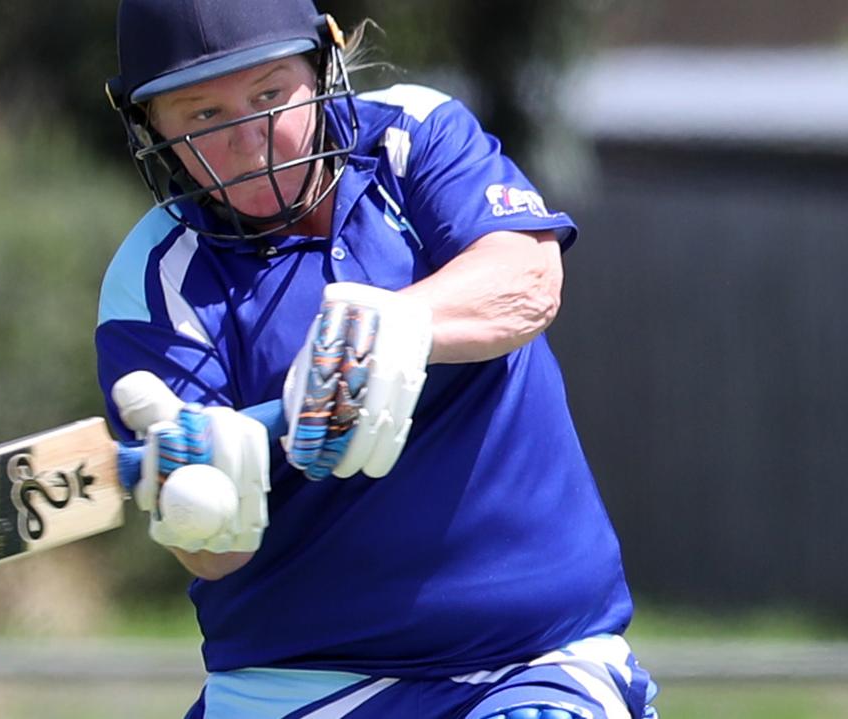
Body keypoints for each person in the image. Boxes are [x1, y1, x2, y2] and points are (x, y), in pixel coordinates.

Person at [95, 1, 658, 717]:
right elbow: (213, 557)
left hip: (535, 658)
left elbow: (528, 279)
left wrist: (402, 322)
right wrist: (206, 509)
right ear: (150, 126)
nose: (250, 140)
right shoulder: (156, 277)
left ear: (322, 64)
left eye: (270, 94)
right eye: (202, 115)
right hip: (293, 682)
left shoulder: (411, 136)